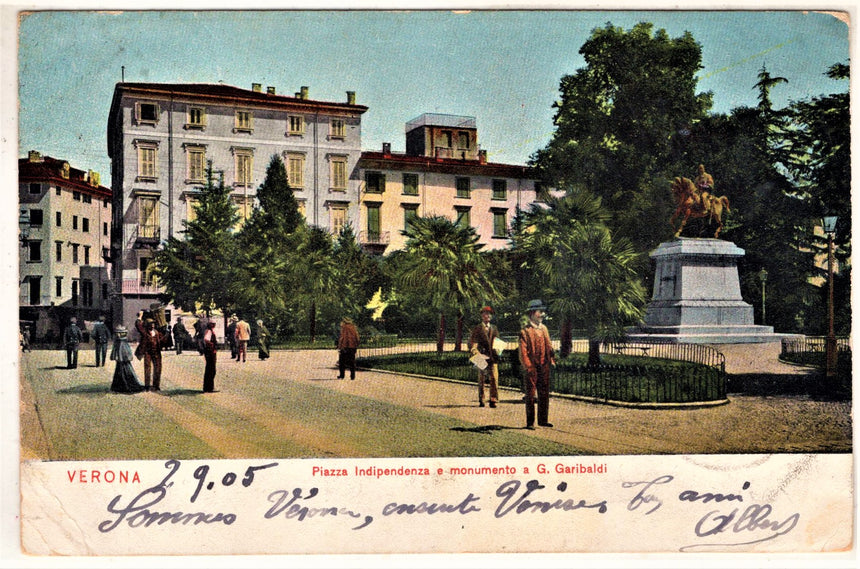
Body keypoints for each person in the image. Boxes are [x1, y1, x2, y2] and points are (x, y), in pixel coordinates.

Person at [518, 299, 555, 429]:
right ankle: (530, 422)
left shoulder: (544, 328)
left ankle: (543, 420)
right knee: (531, 394)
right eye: (540, 312)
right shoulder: (525, 331)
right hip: (532, 367)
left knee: (544, 392)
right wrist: (528, 366)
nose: (542, 314)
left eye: (543, 312)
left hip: (544, 365)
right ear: (533, 313)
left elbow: (549, 345)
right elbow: (523, 352)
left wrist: (552, 358)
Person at [468, 306, 501, 408]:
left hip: (492, 357)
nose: (488, 316)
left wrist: (499, 350)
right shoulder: (477, 328)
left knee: (494, 378)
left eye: (490, 314)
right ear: (482, 316)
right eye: (486, 314)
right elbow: (473, 343)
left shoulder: (494, 328)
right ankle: (482, 399)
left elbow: (498, 342)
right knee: (481, 378)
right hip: (481, 356)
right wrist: (476, 352)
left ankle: (493, 399)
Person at [109, 325, 144, 393]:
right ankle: (119, 387)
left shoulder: (122, 342)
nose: (118, 335)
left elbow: (126, 352)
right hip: (120, 362)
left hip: (124, 362)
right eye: (117, 333)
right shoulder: (119, 342)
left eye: (119, 333)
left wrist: (123, 358)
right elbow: (117, 351)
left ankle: (125, 386)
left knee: (126, 373)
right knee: (120, 373)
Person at [140, 318, 164, 391]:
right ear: (147, 325)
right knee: (147, 368)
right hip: (148, 352)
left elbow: (162, 341)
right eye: (151, 324)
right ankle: (147, 385)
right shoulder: (145, 333)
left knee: (158, 368)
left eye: (153, 324)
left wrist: (166, 335)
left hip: (156, 352)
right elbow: (139, 326)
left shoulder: (157, 332)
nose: (153, 325)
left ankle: (156, 385)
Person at [202, 321, 218, 393]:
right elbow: (206, 339)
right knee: (211, 369)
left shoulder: (209, 331)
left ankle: (208, 387)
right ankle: (209, 387)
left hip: (210, 351)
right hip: (210, 352)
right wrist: (212, 345)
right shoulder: (209, 331)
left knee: (210, 369)